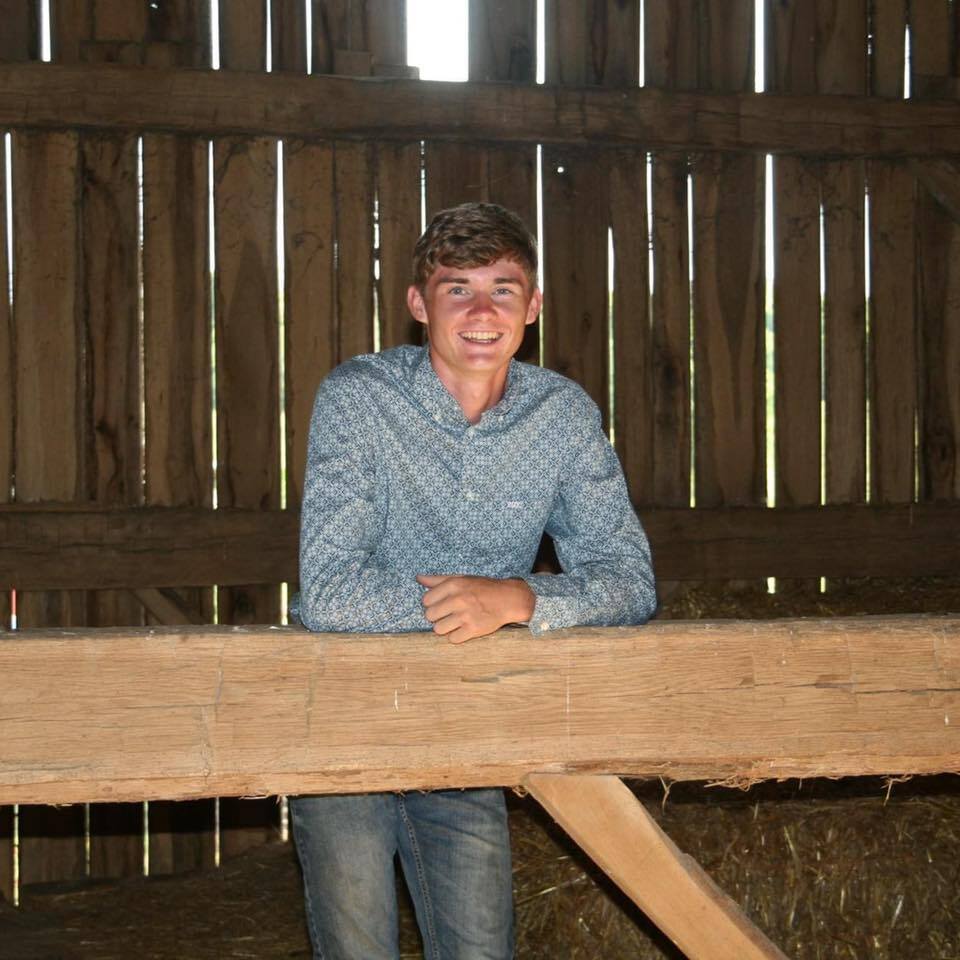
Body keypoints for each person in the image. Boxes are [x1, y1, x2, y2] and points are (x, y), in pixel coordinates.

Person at [290, 202, 656, 960]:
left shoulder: (562, 416)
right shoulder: (359, 398)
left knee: (482, 950)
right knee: (359, 949)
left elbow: (630, 578)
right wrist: (471, 602)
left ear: (534, 306)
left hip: (468, 721)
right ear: (419, 305)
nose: (483, 311)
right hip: (343, 719)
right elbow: (328, 593)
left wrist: (523, 599)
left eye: (503, 288)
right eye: (458, 289)